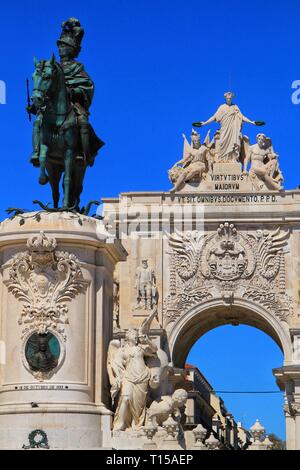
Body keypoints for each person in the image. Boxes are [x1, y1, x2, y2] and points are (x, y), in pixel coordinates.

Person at [28, 17, 103, 167]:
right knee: (38, 121)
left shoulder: (78, 67)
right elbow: (44, 87)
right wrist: (36, 106)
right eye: (60, 47)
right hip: (52, 106)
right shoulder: (52, 67)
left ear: (72, 49)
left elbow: (88, 85)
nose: (61, 49)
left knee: (82, 120)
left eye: (64, 46)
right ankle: (36, 151)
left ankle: (84, 153)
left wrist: (74, 91)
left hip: (72, 104)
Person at [193, 92, 264, 162]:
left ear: (232, 98)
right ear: (225, 98)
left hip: (233, 130)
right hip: (224, 129)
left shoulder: (235, 107)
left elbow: (242, 117)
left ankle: (233, 159)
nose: (229, 99)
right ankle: (222, 160)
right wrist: (204, 123)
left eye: (230, 98)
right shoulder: (222, 107)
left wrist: (252, 122)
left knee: (233, 143)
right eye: (228, 98)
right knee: (222, 143)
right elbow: (214, 117)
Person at [112, 329, 158, 431]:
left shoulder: (141, 348)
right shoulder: (122, 350)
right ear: (128, 337)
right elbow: (116, 363)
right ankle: (120, 425)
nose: (136, 336)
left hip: (142, 378)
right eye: (134, 334)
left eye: (137, 335)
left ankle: (136, 424)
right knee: (125, 398)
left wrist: (147, 341)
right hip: (128, 377)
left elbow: (154, 349)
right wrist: (118, 376)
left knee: (139, 406)